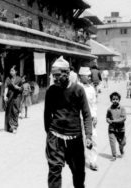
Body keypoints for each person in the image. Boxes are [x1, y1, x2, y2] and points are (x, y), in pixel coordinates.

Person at [44, 56, 93, 188]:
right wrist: (50, 135)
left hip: (75, 139)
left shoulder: (78, 90)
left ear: (66, 73)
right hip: (55, 138)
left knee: (78, 176)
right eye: (53, 76)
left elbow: (87, 114)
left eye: (58, 75)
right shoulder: (51, 91)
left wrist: (88, 136)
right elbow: (47, 115)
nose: (55, 78)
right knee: (54, 173)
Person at [78, 66, 98, 171]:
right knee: (78, 140)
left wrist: (95, 116)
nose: (90, 77)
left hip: (89, 118)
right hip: (78, 118)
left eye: (90, 76)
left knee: (92, 139)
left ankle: (92, 162)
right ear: (81, 76)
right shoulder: (76, 87)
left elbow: (94, 103)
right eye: (88, 76)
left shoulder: (91, 89)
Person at [106, 92, 126, 161]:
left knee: (122, 142)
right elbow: (107, 117)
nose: (115, 100)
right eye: (113, 99)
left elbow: (123, 118)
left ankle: (121, 149)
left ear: (119, 100)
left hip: (120, 130)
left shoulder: (122, 108)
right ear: (111, 100)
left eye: (116, 99)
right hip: (112, 129)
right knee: (112, 142)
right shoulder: (109, 109)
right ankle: (114, 155)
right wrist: (108, 120)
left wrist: (114, 121)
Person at [3, 65, 23, 133]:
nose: (11, 72)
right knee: (9, 111)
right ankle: (9, 126)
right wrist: (5, 96)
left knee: (15, 111)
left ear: (16, 71)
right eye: (10, 70)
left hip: (17, 96)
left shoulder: (19, 79)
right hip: (10, 96)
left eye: (12, 70)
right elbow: (6, 87)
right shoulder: (8, 79)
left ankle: (14, 126)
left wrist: (19, 88)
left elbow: (22, 88)